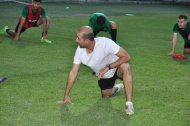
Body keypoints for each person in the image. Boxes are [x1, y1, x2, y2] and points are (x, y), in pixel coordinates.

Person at [58, 26, 134, 115]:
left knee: (126, 66)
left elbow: (126, 56)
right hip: (104, 76)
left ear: (87, 41)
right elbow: (73, 72)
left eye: (78, 38)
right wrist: (66, 96)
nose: (76, 40)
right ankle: (116, 88)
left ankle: (129, 104)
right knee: (106, 94)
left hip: (117, 68)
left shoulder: (105, 42)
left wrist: (109, 67)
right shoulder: (80, 51)